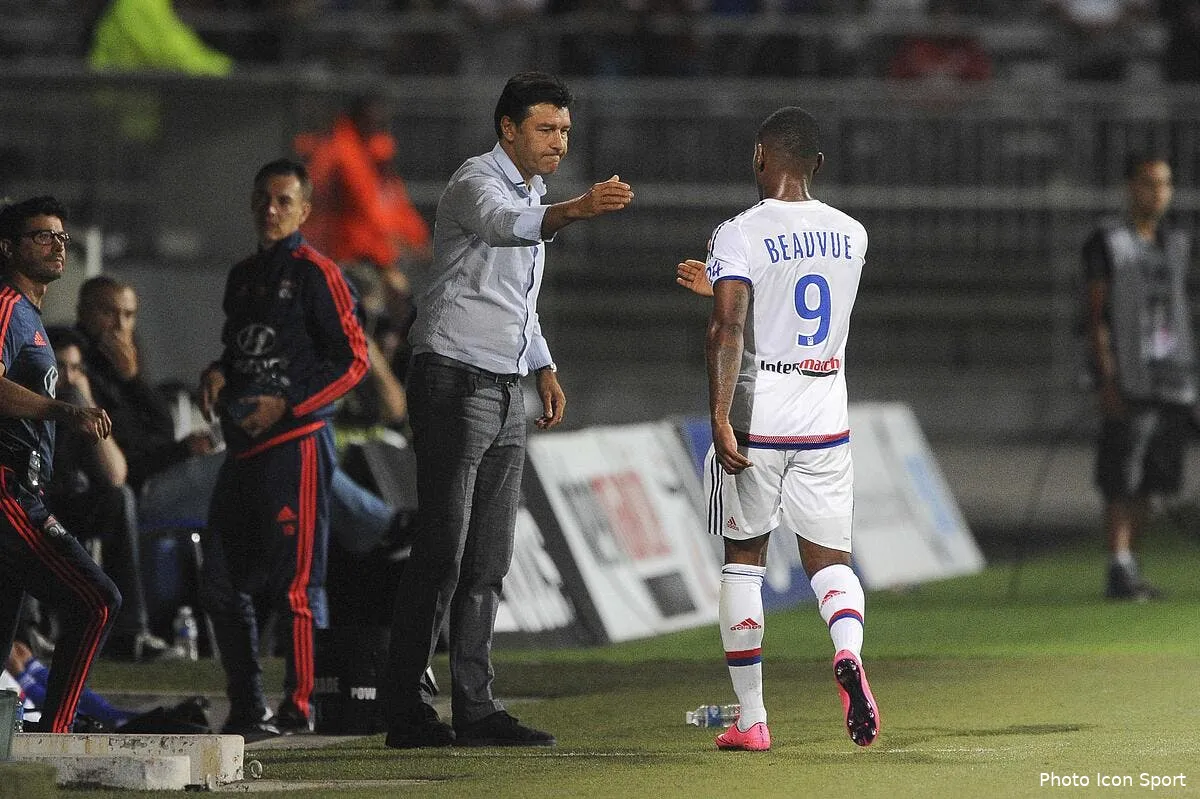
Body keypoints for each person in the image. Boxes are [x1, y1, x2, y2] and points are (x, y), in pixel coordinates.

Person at [381, 71, 633, 750]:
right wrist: (576, 210)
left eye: (566, 131)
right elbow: (502, 230)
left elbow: (516, 299)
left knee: (489, 556)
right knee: (442, 552)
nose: (559, 142)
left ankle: (475, 705)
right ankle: (403, 707)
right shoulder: (477, 182)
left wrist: (543, 364)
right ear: (508, 128)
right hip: (453, 380)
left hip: (503, 386)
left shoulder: (532, 190)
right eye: (548, 129)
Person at [679, 107, 878, 752]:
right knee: (831, 564)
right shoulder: (853, 234)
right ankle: (847, 652)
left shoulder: (738, 232)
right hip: (826, 418)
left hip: (757, 417)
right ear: (817, 164)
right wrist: (723, 293)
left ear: (760, 154)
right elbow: (797, 299)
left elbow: (731, 328)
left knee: (744, 563)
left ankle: (752, 720)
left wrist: (717, 414)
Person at [197, 158, 368, 741]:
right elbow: (238, 350)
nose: (270, 210)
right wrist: (217, 373)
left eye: (283, 200)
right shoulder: (242, 276)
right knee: (220, 581)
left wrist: (289, 403)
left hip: (296, 446)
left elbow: (354, 362)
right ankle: (247, 706)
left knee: (294, 585)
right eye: (261, 200)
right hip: (242, 449)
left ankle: (298, 709)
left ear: (305, 209)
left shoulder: (320, 274)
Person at [0, 195, 122, 733]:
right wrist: (61, 409)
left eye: (62, 237)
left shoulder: (32, 316)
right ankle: (54, 738)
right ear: (8, 246)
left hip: (25, 487)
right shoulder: (5, 306)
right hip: (6, 491)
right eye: (43, 236)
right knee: (95, 600)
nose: (58, 245)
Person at [1082, 153, 1196, 602]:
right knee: (1121, 474)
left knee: (1154, 477)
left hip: (1172, 378)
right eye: (1149, 183)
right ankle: (1117, 562)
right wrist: (1106, 376)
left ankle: (1130, 566)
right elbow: (1096, 316)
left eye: (1166, 184)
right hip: (1130, 377)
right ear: (1131, 187)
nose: (1159, 193)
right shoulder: (1108, 242)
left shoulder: (1176, 242)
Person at [45, 325, 170, 662]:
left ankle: (130, 632)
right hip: (31, 505)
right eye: (60, 368)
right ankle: (31, 631)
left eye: (76, 369)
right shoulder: (33, 406)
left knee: (120, 499)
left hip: (71, 505)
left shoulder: (78, 407)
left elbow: (116, 475)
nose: (68, 379)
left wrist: (85, 404)